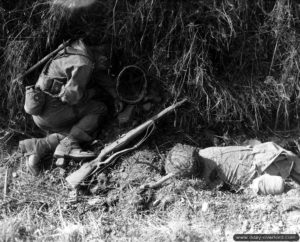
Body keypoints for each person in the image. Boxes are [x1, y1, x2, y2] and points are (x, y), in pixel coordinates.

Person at [19, 39, 121, 176]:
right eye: (107, 66)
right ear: (103, 58)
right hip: (54, 112)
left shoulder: (75, 51)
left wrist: (116, 95)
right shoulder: (84, 64)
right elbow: (71, 97)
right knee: (99, 109)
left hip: (40, 114)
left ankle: (38, 148)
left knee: (72, 130)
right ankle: (71, 144)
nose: (106, 70)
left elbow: (99, 75)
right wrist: (94, 93)